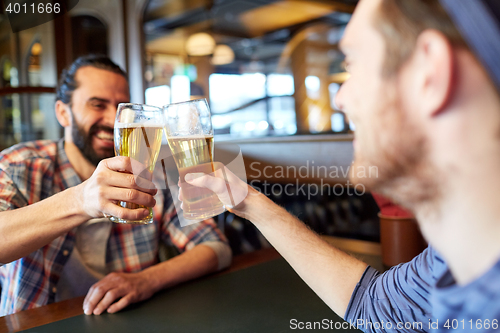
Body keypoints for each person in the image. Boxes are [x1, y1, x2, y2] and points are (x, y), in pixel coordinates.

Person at [182, 0, 500, 331]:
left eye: (353, 64)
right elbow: (375, 306)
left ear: (430, 75)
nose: (339, 98)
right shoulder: (448, 261)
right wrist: (250, 204)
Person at [0, 55, 231, 317]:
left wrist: (146, 280)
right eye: (97, 105)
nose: (113, 120)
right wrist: (80, 200)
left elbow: (216, 248)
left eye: (121, 108)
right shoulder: (20, 165)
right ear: (63, 113)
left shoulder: (150, 176)